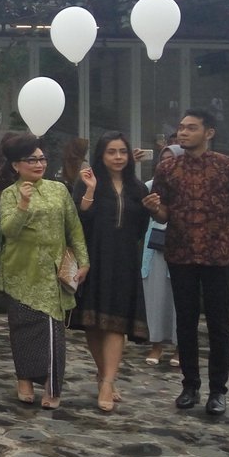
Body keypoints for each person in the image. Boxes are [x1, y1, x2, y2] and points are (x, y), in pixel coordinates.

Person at [0, 133, 89, 410]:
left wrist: (83, 260)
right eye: (31, 160)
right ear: (16, 165)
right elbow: (9, 231)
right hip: (21, 270)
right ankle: (24, 378)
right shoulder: (10, 194)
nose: (38, 164)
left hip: (52, 271)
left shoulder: (58, 190)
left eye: (42, 159)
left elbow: (74, 227)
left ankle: (52, 385)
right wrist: (23, 205)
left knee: (52, 330)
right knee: (22, 328)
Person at [151, 109, 229, 416]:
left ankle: (218, 391)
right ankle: (190, 386)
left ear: (208, 133)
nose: (183, 133)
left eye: (191, 128)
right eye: (181, 128)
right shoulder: (168, 168)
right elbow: (163, 214)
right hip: (181, 252)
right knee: (185, 321)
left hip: (219, 255)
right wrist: (153, 209)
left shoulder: (226, 167)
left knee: (218, 325)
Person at [71, 131, 155, 412]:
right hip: (94, 258)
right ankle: (102, 372)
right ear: (101, 155)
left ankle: (108, 381)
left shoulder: (137, 188)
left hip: (124, 262)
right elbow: (80, 219)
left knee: (116, 323)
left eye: (122, 151)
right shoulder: (86, 181)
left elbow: (140, 228)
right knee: (93, 322)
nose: (118, 157)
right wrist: (91, 190)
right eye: (111, 152)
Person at [142, 145, 182, 366]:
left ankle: (180, 348)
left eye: (171, 159)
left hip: (182, 249)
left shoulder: (188, 186)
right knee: (155, 297)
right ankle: (155, 344)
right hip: (155, 249)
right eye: (163, 159)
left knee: (180, 300)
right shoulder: (150, 186)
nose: (166, 164)